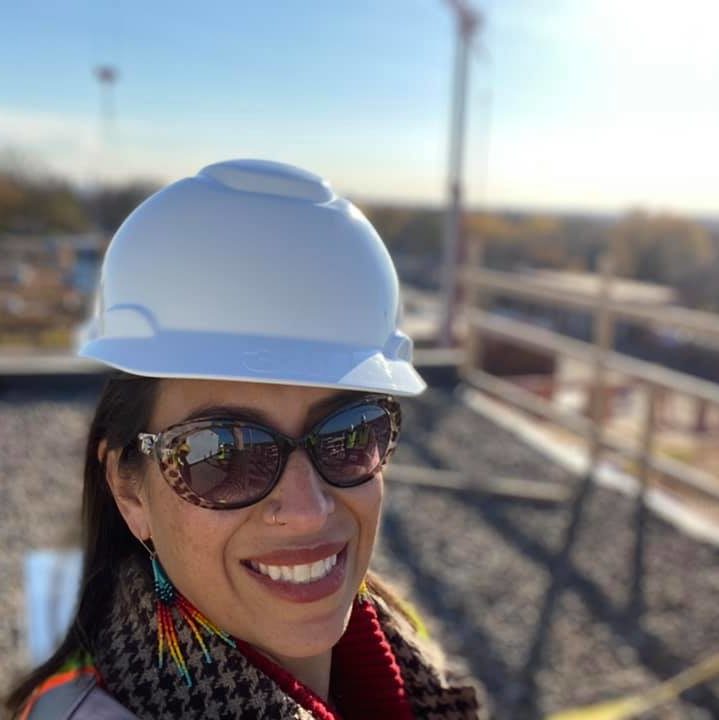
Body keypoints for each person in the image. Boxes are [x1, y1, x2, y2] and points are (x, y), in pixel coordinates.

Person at [5, 160, 483, 719]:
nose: (308, 511)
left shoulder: (401, 658)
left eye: (349, 434)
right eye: (221, 456)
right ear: (130, 490)